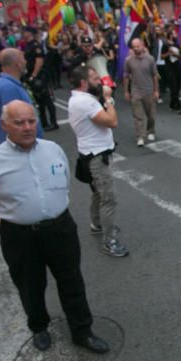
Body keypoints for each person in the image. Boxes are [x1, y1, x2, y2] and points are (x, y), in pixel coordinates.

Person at [0, 100, 109, 354]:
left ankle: (82, 331)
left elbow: (64, 183)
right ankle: (39, 328)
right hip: (20, 235)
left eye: (31, 121)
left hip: (60, 228)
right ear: (4, 125)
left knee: (72, 281)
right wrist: (13, 222)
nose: (27, 127)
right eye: (19, 122)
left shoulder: (53, 149)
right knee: (30, 286)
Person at [67, 65, 128, 258]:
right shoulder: (85, 102)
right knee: (108, 198)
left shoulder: (81, 98)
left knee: (98, 193)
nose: (99, 81)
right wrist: (109, 99)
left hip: (91, 153)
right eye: (94, 78)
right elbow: (112, 121)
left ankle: (96, 223)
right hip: (96, 156)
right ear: (84, 83)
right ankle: (109, 241)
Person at [0, 47, 43, 144]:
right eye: (23, 59)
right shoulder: (8, 87)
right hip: (23, 147)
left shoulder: (5, 83)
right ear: (18, 63)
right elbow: (15, 122)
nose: (25, 62)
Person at [123, 37, 159, 147]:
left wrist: (156, 90)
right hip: (136, 91)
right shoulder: (128, 60)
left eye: (138, 46)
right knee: (138, 116)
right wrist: (126, 91)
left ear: (142, 45)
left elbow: (154, 76)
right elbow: (126, 76)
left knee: (151, 115)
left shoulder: (150, 59)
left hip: (148, 90)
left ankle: (151, 131)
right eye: (134, 47)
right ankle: (140, 136)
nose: (136, 49)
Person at [23, 28, 57, 131]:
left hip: (39, 76)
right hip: (31, 75)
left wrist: (33, 75)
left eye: (25, 31)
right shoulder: (27, 45)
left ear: (30, 33)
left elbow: (39, 61)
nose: (23, 33)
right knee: (39, 101)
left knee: (47, 99)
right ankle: (44, 123)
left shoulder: (35, 45)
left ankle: (53, 122)